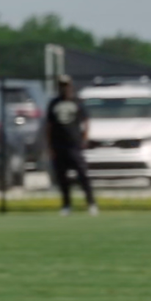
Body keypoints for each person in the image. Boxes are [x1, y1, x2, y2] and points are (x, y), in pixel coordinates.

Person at [45, 75, 97, 216]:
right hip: (59, 145)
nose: (64, 88)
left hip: (74, 145)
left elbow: (86, 121)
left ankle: (91, 203)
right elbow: (49, 126)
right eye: (61, 85)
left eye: (66, 85)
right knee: (62, 178)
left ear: (70, 86)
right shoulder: (54, 103)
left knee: (82, 175)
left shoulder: (77, 102)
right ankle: (66, 205)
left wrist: (84, 139)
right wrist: (49, 146)